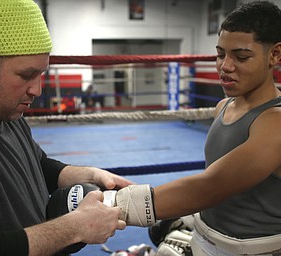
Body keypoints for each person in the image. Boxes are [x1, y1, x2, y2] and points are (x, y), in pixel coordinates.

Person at [0, 0, 133, 255]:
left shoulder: (6, 113)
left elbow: (35, 164)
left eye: (41, 74)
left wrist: (90, 175)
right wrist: (73, 228)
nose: (37, 90)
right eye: (26, 75)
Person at [109, 1, 281, 255]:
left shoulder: (275, 122)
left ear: (275, 55)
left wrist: (114, 205)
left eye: (241, 56)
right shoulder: (224, 106)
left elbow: (212, 184)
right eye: (221, 54)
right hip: (206, 238)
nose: (226, 66)